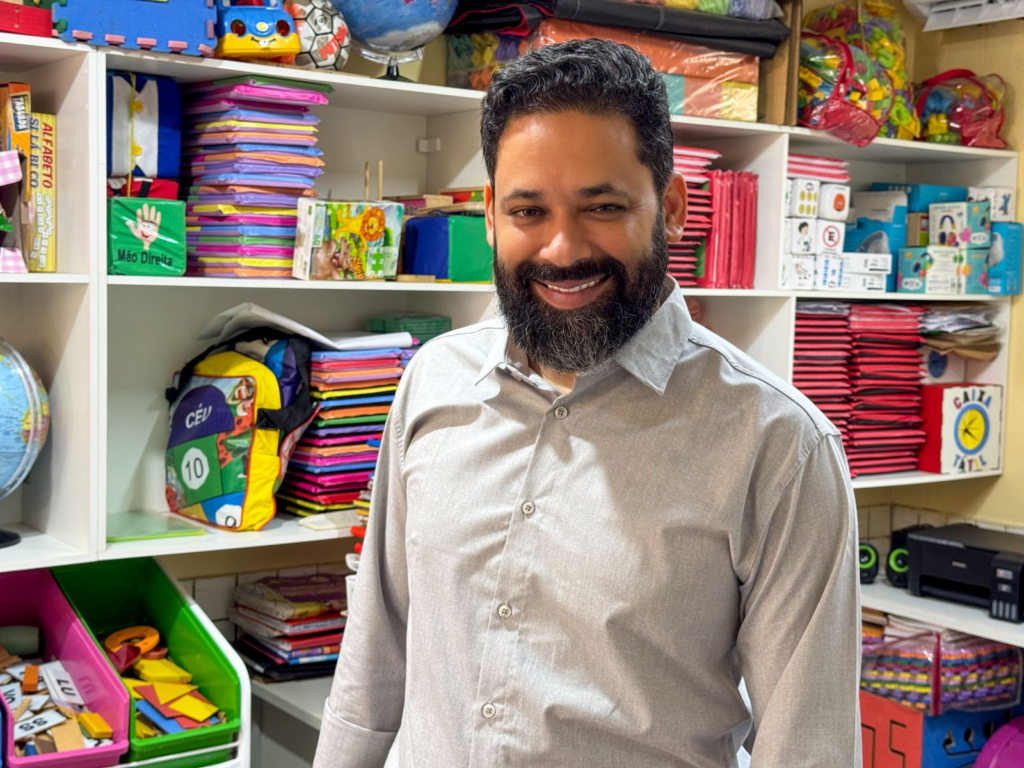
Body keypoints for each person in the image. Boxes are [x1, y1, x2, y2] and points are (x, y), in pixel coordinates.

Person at [314, 38, 861, 768]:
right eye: (529, 211)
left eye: (602, 206)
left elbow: (809, 749)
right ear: (490, 215)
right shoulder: (434, 381)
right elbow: (375, 653)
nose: (562, 249)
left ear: (671, 207)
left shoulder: (780, 446)